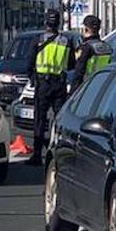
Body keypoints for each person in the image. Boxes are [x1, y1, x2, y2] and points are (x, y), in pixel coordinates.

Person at [29, 9, 72, 162]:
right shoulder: (66, 41)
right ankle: (59, 153)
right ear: (59, 22)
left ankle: (36, 155)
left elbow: (30, 63)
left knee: (40, 119)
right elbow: (71, 64)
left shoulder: (38, 40)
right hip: (59, 85)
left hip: (43, 85)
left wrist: (32, 79)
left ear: (46, 21)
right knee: (59, 120)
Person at [69, 14, 113, 93]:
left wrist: (72, 93)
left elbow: (79, 72)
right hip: (102, 87)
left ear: (86, 29)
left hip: (87, 87)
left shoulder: (86, 48)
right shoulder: (107, 47)